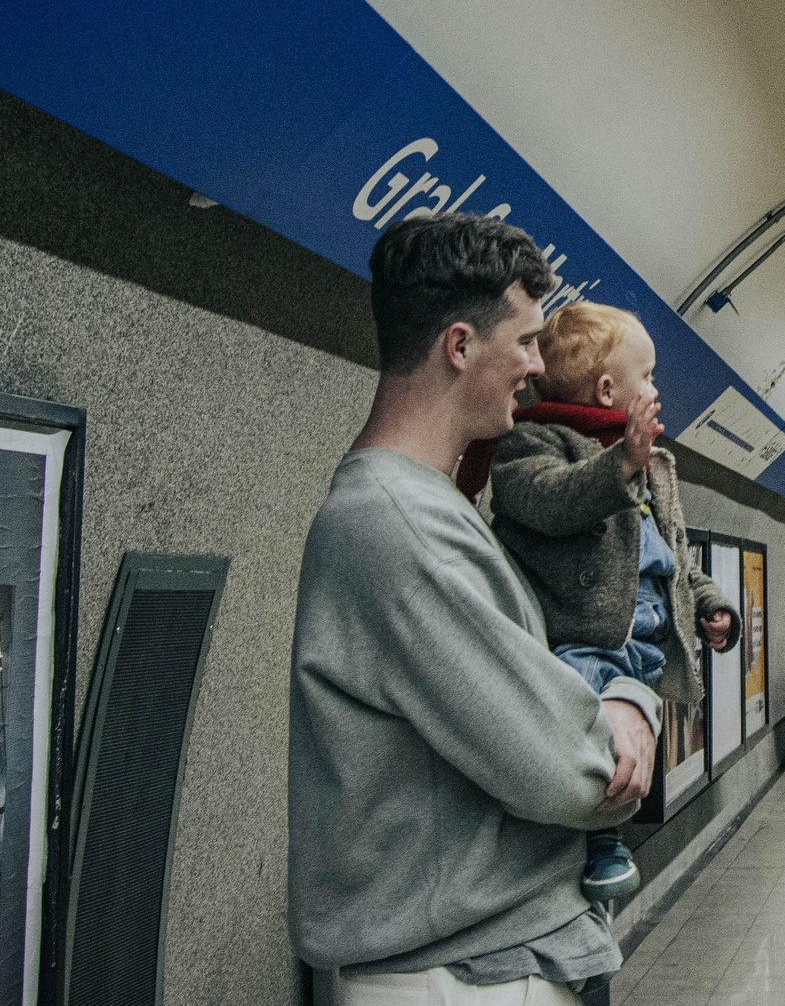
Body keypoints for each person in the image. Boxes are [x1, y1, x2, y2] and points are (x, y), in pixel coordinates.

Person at [290, 213, 660, 1006]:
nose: (536, 367)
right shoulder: (396, 525)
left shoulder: (435, 510)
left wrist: (626, 694)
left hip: (479, 966)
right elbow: (570, 769)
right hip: (457, 978)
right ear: (459, 345)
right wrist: (628, 717)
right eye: (524, 341)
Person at [487, 302, 740, 904]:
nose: (657, 387)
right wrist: (617, 465)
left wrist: (707, 602)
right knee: (595, 743)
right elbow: (550, 501)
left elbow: (673, 549)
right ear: (607, 391)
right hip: (580, 639)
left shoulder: (655, 466)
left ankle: (604, 836)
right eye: (647, 375)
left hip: (643, 644)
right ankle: (598, 844)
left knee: (626, 749)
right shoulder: (529, 444)